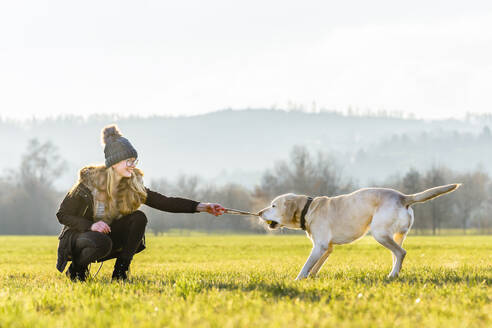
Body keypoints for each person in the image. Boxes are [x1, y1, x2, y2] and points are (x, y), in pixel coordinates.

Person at [56, 124, 225, 282]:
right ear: (114, 163)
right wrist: (90, 226)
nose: (132, 165)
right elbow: (62, 214)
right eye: (128, 161)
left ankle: (121, 272)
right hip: (79, 236)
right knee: (102, 242)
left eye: (134, 160)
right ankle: (77, 269)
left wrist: (202, 206)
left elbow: (164, 202)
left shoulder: (132, 185)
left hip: (105, 236)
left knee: (138, 218)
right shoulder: (88, 183)